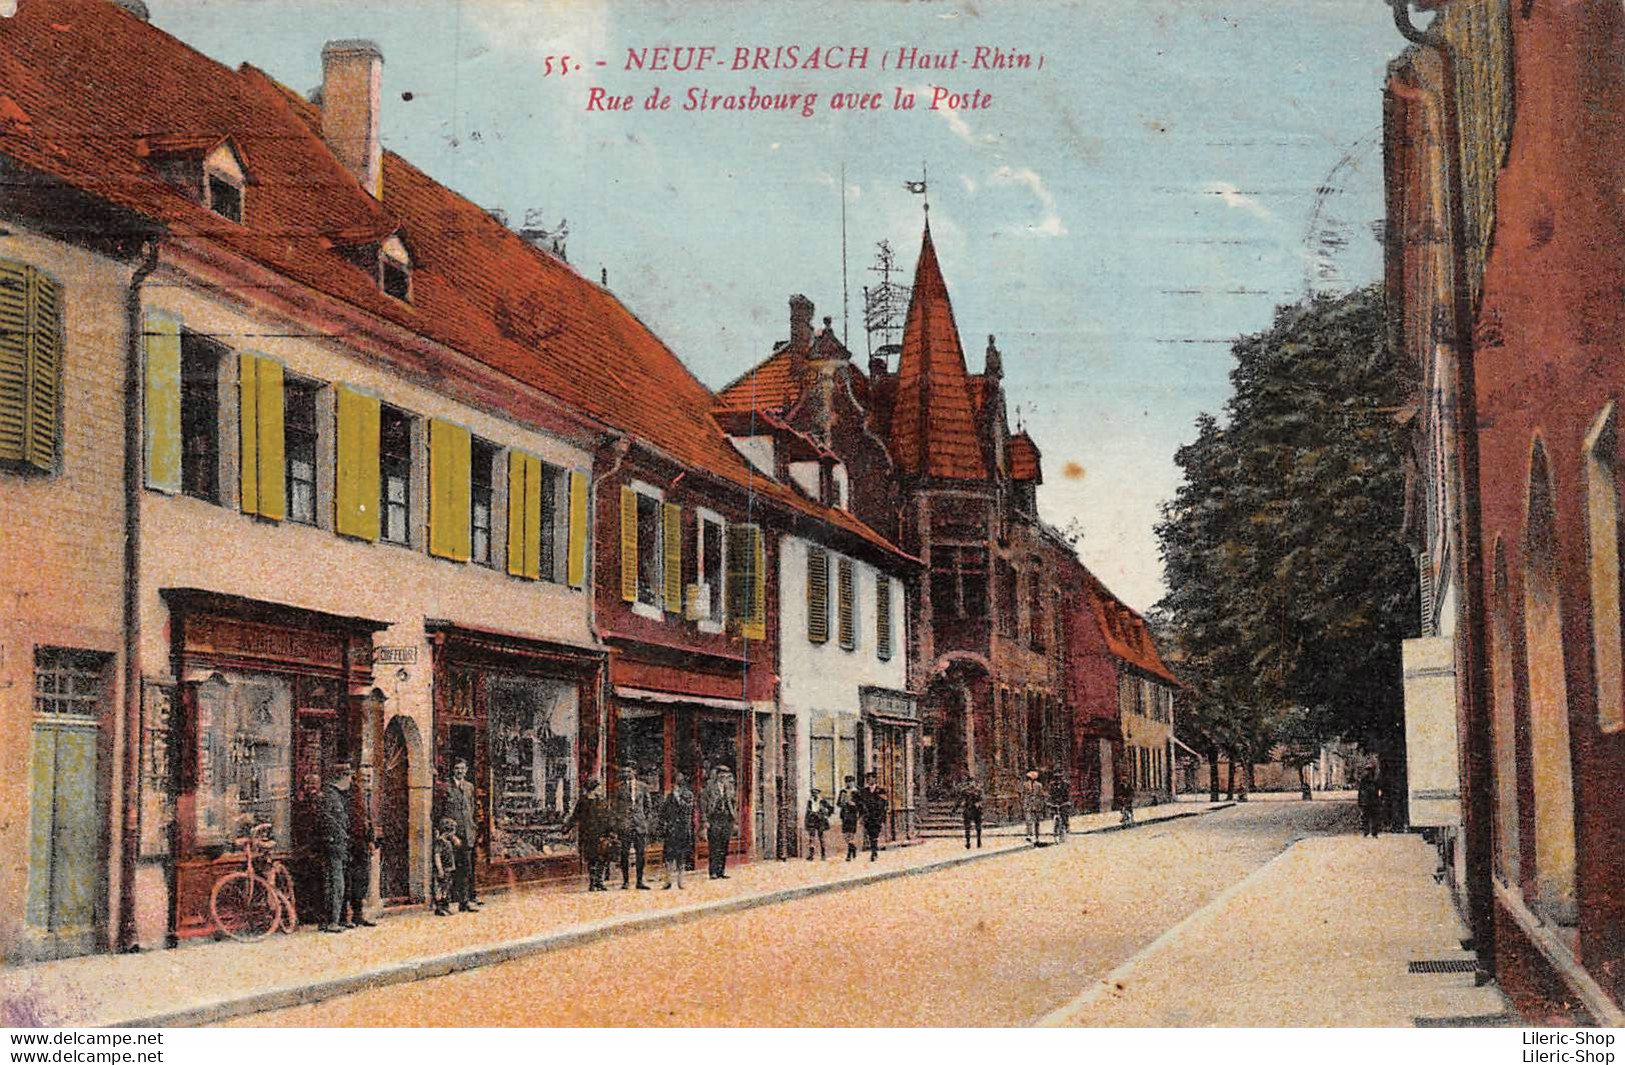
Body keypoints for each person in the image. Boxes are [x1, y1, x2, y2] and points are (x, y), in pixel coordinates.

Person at [315, 763, 353, 933]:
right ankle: (331, 921)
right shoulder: (329, 796)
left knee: (339, 882)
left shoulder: (339, 795)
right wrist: (336, 837)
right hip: (332, 845)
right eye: (350, 776)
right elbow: (327, 821)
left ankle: (337, 919)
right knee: (335, 883)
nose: (351, 780)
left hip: (340, 845)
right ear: (343, 777)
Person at [439, 758, 480, 912]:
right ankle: (446, 903)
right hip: (452, 837)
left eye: (463, 768)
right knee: (449, 870)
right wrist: (450, 835)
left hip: (467, 834)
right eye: (457, 768)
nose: (460, 771)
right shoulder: (446, 788)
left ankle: (464, 901)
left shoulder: (469, 787)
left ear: (466, 770)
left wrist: (473, 828)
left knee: (466, 869)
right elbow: (441, 814)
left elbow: (472, 809)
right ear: (453, 770)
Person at [342, 773, 379, 928]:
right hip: (352, 842)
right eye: (363, 780)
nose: (365, 783)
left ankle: (358, 914)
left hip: (363, 844)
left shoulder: (367, 797)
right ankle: (345, 916)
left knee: (362, 880)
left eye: (368, 780)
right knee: (349, 880)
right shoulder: (349, 797)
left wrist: (371, 840)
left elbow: (369, 820)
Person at [611, 764, 652, 890]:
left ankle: (639, 881)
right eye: (624, 771)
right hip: (625, 824)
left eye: (629, 771)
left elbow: (648, 805)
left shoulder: (643, 787)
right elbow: (615, 807)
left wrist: (645, 820)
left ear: (634, 771)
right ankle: (626, 881)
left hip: (639, 824)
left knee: (641, 853)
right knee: (624, 853)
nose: (626, 773)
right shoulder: (618, 788)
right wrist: (619, 820)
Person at [563, 778, 608, 890]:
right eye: (598, 787)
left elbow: (606, 817)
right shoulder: (585, 801)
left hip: (596, 833)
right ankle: (594, 882)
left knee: (599, 858)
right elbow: (575, 817)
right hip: (590, 834)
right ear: (595, 788)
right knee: (594, 858)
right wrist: (567, 828)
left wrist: (609, 832)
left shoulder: (598, 800)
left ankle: (597, 881)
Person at [659, 776, 696, 889]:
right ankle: (668, 880)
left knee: (681, 857)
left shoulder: (688, 795)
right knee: (669, 857)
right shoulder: (669, 797)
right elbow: (663, 812)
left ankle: (681, 881)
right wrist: (665, 824)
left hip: (683, 830)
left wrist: (678, 798)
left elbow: (688, 810)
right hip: (671, 831)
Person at [702, 764, 737, 879]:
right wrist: (705, 820)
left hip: (726, 819)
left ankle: (721, 871)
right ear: (716, 775)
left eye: (725, 775)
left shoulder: (728, 787)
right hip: (714, 819)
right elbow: (704, 805)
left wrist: (733, 817)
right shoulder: (709, 787)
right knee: (714, 846)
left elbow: (733, 802)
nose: (723, 777)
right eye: (721, 774)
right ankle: (712, 872)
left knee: (724, 845)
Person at [431, 816, 458, 916]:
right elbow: (437, 855)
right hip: (443, 869)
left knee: (446, 888)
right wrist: (440, 869)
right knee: (441, 889)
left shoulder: (448, 842)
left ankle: (445, 906)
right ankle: (439, 907)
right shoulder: (440, 842)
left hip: (449, 868)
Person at [858, 772, 887, 862]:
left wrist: (882, 817)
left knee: (875, 833)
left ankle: (874, 852)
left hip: (877, 815)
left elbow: (884, 804)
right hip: (868, 816)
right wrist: (861, 816)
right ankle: (874, 851)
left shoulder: (880, 790)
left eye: (870, 779)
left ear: (875, 779)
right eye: (867, 779)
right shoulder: (864, 791)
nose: (869, 781)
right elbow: (861, 803)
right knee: (870, 834)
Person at [953, 776, 984, 849]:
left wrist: (979, 804)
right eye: (970, 782)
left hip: (975, 810)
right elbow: (960, 800)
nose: (972, 784)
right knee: (968, 827)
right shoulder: (967, 791)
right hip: (969, 810)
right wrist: (955, 809)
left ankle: (978, 841)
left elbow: (981, 800)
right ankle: (969, 842)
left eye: (972, 782)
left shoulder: (977, 791)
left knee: (977, 827)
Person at [804, 787, 834, 860]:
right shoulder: (810, 801)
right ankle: (811, 855)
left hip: (821, 820)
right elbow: (807, 812)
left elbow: (831, 808)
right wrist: (807, 821)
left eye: (816, 793)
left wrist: (827, 815)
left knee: (821, 838)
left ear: (818, 793)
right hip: (812, 820)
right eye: (813, 793)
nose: (814, 795)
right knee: (812, 838)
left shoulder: (822, 801)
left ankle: (823, 855)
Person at [836, 775, 861, 861]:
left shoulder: (857, 792)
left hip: (853, 814)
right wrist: (842, 803)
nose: (848, 783)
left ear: (853, 782)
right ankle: (852, 847)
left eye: (850, 782)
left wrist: (854, 804)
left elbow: (861, 805)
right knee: (845, 834)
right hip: (844, 814)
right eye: (847, 782)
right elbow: (838, 803)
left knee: (851, 833)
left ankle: (849, 854)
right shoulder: (843, 791)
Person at [1021, 770, 1045, 842]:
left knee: (1036, 822)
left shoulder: (1039, 785)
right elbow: (1023, 794)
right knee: (1028, 820)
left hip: (1036, 805)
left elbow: (1041, 795)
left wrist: (1041, 804)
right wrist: (1023, 803)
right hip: (1028, 804)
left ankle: (1037, 836)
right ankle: (1029, 835)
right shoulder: (1025, 785)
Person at [1048, 771, 1071, 843]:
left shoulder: (1065, 784)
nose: (1057, 780)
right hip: (1055, 803)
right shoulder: (1052, 785)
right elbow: (1050, 795)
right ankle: (1056, 831)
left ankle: (1066, 826)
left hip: (1063, 803)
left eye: (1059, 777)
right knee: (1055, 816)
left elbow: (1067, 794)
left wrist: (1067, 802)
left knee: (1064, 816)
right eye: (1056, 778)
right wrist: (1049, 803)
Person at [1358, 772, 1382, 837]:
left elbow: (1360, 793)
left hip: (1366, 802)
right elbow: (1379, 792)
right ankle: (1373, 832)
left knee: (1366, 817)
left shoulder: (1363, 784)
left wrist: (1360, 802)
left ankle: (1366, 831)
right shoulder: (1375, 782)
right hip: (1373, 802)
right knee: (1374, 817)